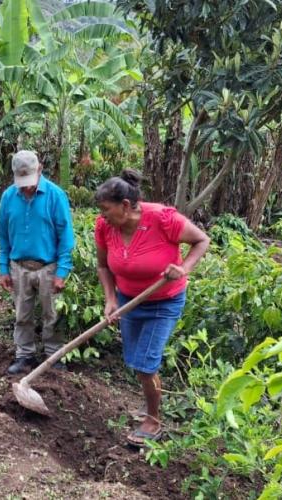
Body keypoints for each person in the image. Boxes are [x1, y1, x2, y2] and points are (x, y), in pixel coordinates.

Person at [94, 169, 209, 446]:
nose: (102, 215)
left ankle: (154, 420)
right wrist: (110, 299)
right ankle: (150, 402)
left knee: (146, 363)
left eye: (106, 209)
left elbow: (201, 240)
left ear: (125, 205)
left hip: (163, 301)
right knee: (135, 360)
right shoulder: (105, 226)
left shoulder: (162, 218)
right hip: (128, 300)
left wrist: (183, 268)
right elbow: (103, 266)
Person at [0, 150, 75, 375]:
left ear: (39, 169)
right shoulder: (8, 197)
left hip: (48, 267)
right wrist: (3, 268)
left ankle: (54, 357)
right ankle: (25, 356)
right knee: (22, 315)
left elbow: (66, 236)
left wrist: (62, 271)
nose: (27, 187)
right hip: (18, 266)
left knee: (53, 315)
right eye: (22, 182)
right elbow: (3, 235)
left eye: (30, 181)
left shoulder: (55, 196)